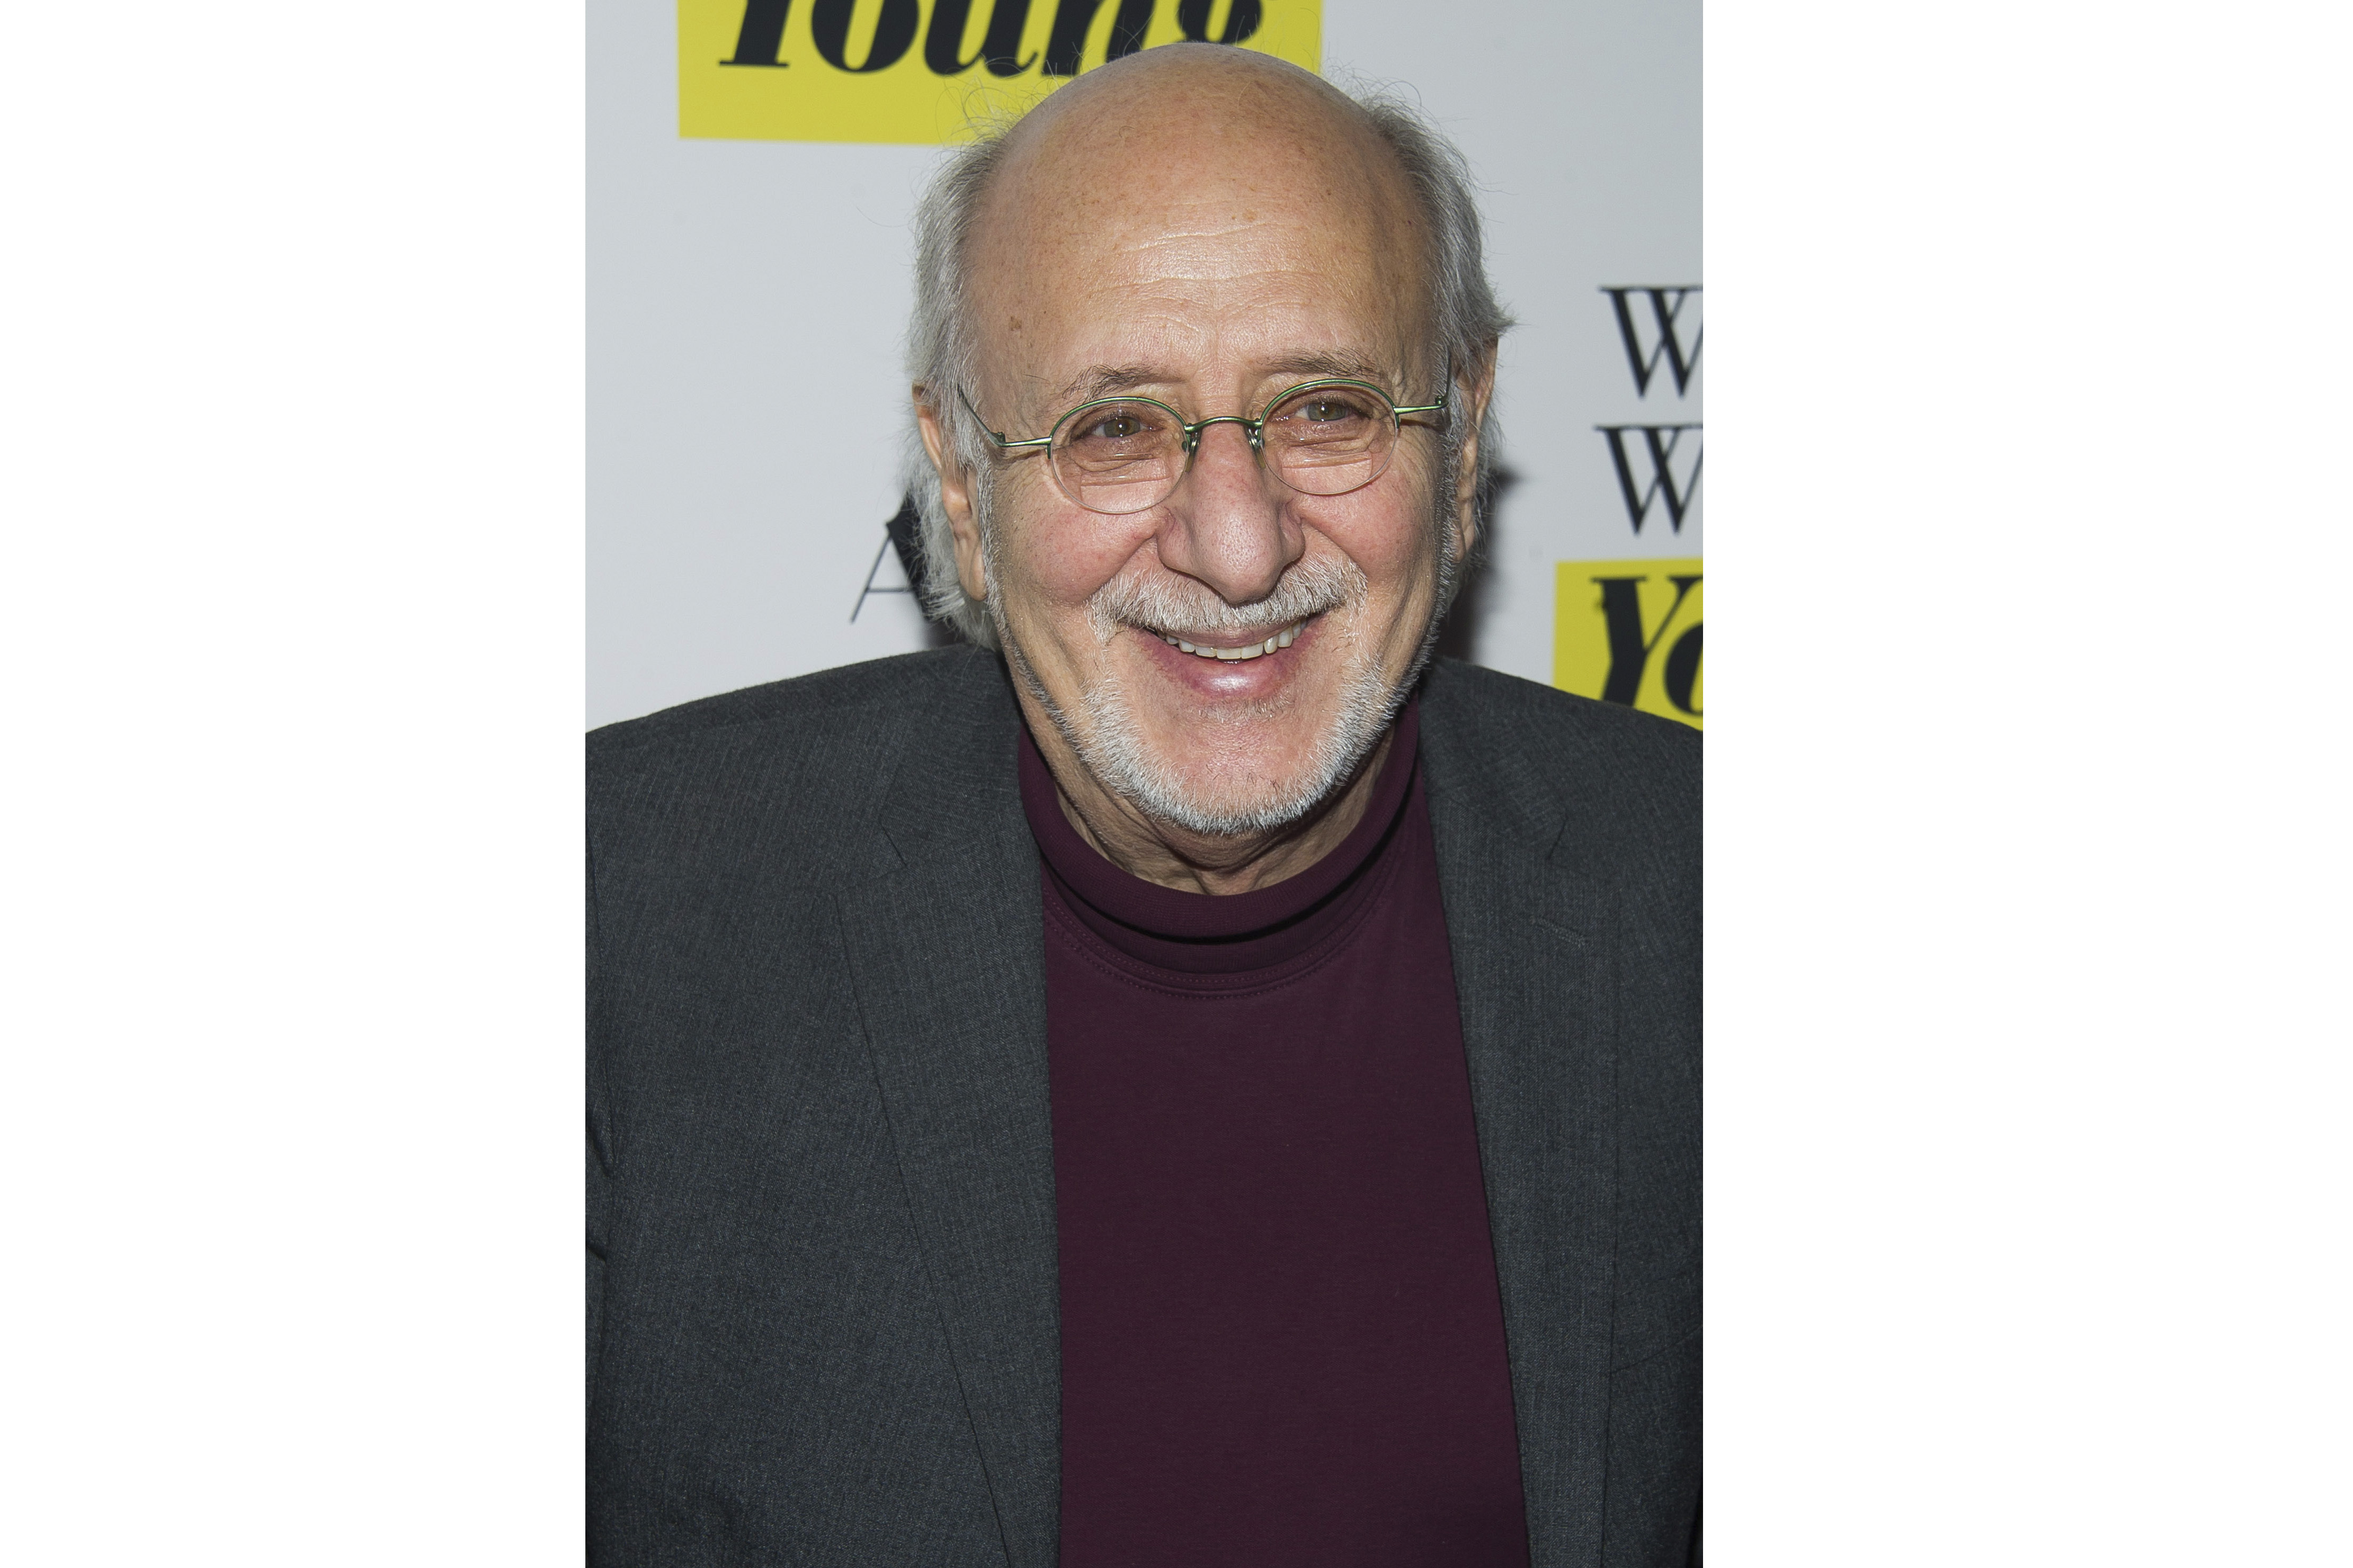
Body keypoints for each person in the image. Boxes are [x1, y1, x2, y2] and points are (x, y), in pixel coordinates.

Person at [588, 43, 1698, 1568]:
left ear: (1459, 437)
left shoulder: (1698, 885)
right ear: (964, 488)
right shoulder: (614, 920)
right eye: (1112, 428)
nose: (1236, 546)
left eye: (1325, 408)